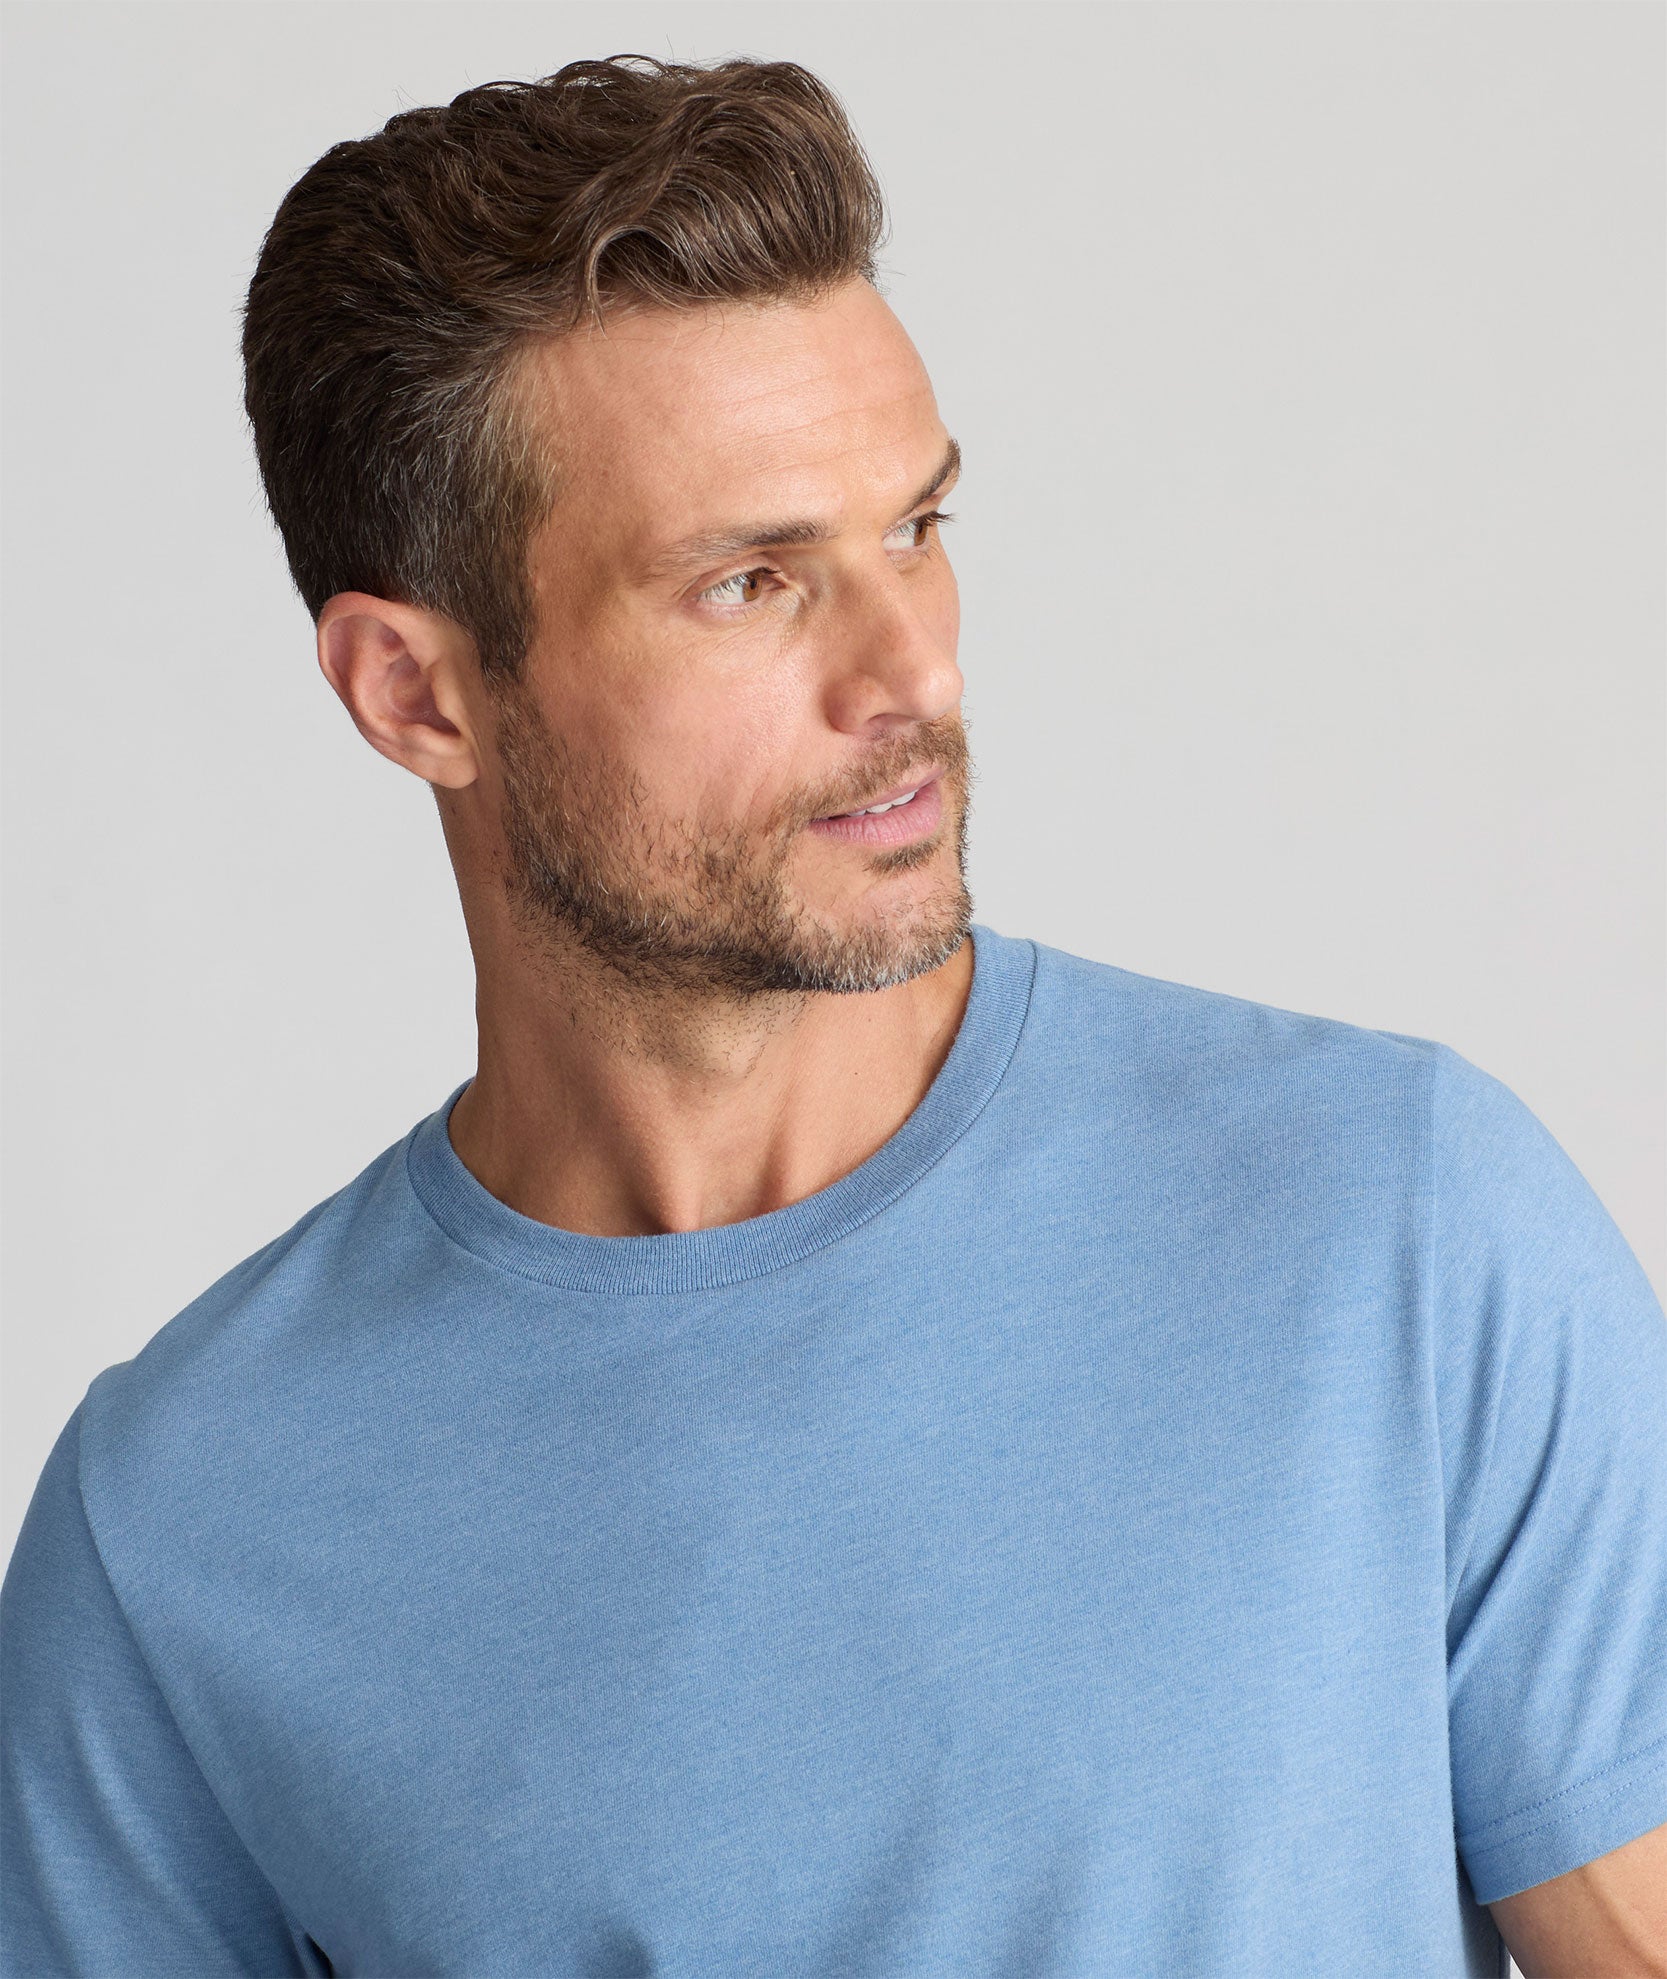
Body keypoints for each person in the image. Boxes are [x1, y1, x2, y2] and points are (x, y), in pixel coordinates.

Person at [2, 52, 1663, 1979]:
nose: (912, 674)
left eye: (915, 529)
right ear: (415, 694)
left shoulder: (1394, 1227)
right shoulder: (185, 1522)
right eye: (749, 583)